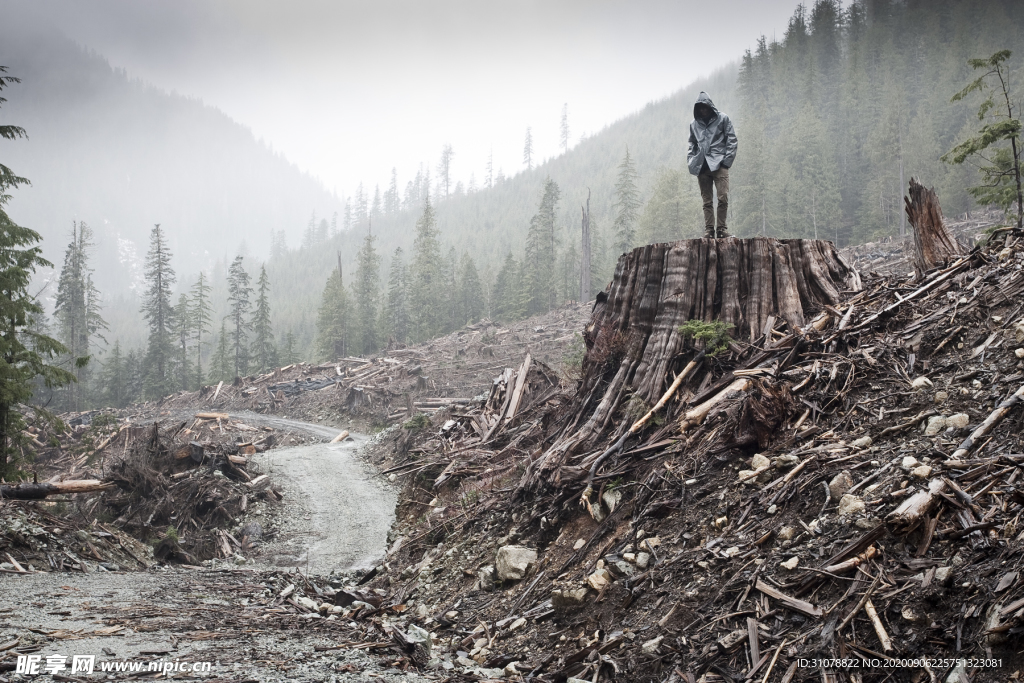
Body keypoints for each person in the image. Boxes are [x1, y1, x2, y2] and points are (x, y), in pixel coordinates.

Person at [687, 91, 738, 238]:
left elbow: (732, 140)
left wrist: (726, 162)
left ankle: (721, 229)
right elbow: (692, 143)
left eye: (705, 106)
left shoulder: (723, 119)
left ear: (710, 106)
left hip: (720, 164)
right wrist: (692, 161)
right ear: (697, 108)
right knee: (707, 201)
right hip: (702, 166)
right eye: (700, 107)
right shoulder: (694, 124)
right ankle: (709, 230)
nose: (703, 109)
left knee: (723, 197)